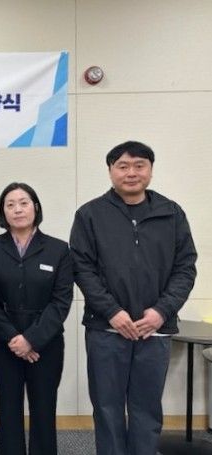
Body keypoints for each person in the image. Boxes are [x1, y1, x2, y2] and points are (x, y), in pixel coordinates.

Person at [70, 141, 197, 455]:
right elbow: (82, 268)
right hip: (106, 328)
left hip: (155, 329)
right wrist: (112, 312)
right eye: (123, 166)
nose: (131, 173)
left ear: (150, 171)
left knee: (147, 408)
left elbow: (185, 268)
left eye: (139, 166)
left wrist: (161, 311)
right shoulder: (90, 214)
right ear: (110, 171)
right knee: (107, 407)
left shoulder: (171, 213)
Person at [0, 182, 73, 455]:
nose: (17, 209)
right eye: (10, 204)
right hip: (4, 341)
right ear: (3, 212)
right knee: (8, 408)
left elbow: (61, 301)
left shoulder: (58, 249)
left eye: (24, 203)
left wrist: (31, 339)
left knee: (44, 408)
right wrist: (14, 338)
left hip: (46, 343)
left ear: (35, 207)